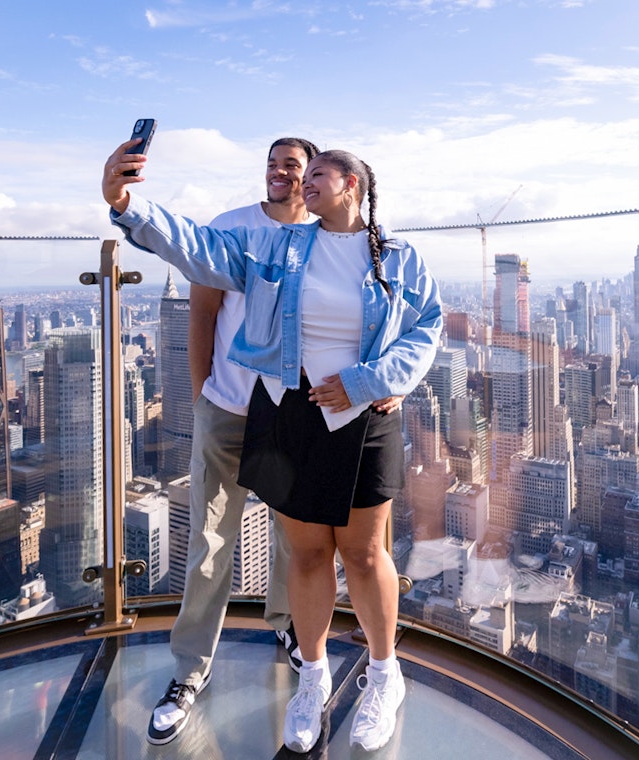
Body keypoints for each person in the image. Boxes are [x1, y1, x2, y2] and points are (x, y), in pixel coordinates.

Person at [103, 141, 442, 753]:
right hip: (291, 415)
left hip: (364, 419)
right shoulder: (280, 247)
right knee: (307, 556)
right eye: (300, 173)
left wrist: (374, 381)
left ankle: (383, 676)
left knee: (364, 556)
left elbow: (427, 328)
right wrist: (129, 205)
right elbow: (202, 249)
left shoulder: (399, 256)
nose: (303, 183)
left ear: (353, 185)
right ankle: (312, 680)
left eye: (317, 174)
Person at [145, 137, 320, 746]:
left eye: (291, 165)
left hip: (289, 415)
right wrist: (202, 397)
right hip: (227, 409)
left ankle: (288, 628)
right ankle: (189, 671)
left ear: (313, 176)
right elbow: (201, 313)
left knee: (291, 533)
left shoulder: (323, 238)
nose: (279, 172)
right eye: (272, 163)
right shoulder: (231, 228)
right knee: (210, 540)